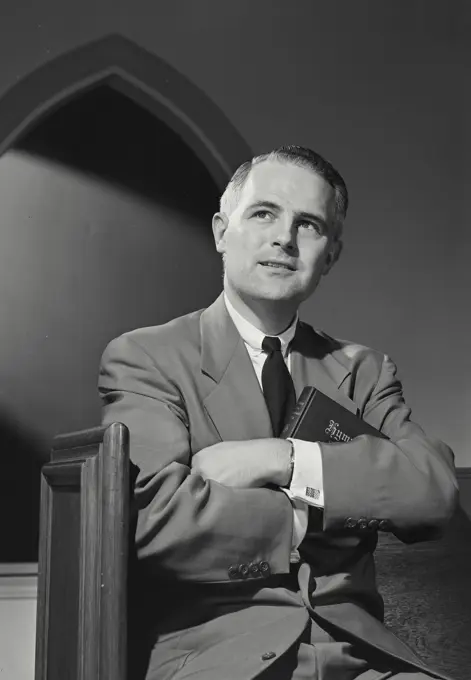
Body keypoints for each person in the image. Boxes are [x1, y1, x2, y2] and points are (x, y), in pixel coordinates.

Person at [98, 145, 458, 680]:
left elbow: (433, 493)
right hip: (219, 663)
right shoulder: (147, 356)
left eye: (308, 225)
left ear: (329, 256)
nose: (284, 239)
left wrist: (284, 460)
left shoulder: (364, 370)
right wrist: (317, 510)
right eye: (264, 213)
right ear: (223, 232)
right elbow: (158, 523)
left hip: (359, 660)